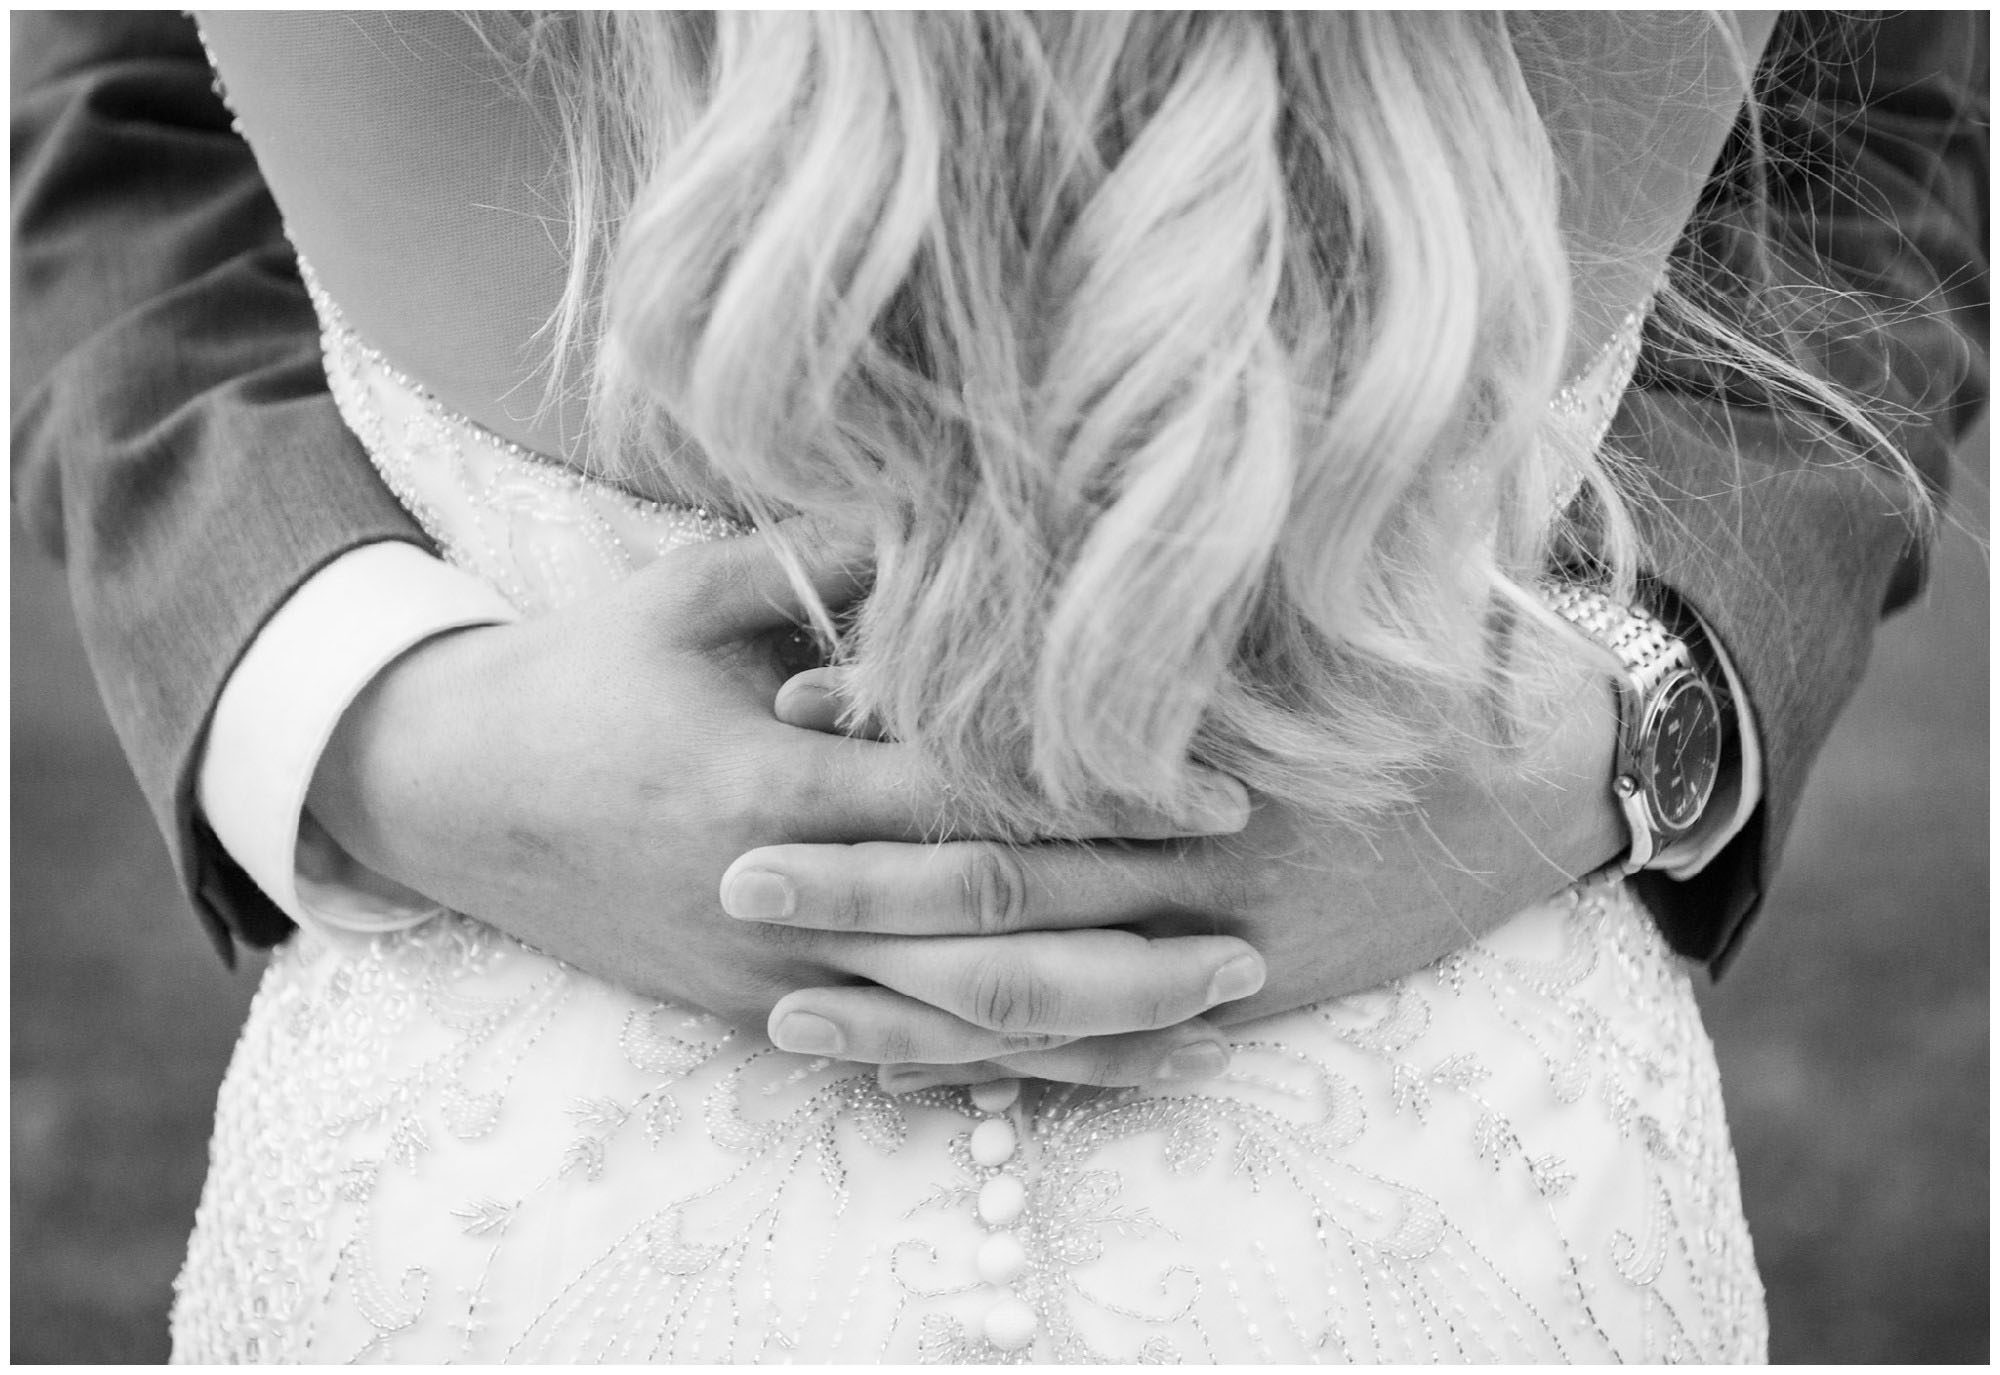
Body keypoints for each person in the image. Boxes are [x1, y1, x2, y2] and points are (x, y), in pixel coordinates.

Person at [10, 10, 1983, 1364]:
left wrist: (1620, 708)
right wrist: (385, 723)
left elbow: (1877, 139)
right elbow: (119, 121)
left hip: (1455, 1209)